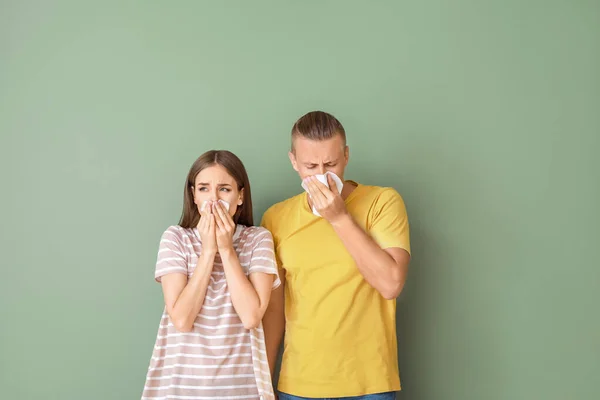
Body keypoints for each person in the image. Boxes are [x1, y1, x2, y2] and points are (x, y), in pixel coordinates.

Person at [261, 111, 411, 400]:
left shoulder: (382, 202)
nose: (321, 175)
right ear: (293, 161)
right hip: (299, 386)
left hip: (371, 385)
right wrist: (263, 383)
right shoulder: (276, 218)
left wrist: (339, 218)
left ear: (346, 156)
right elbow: (274, 312)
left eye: (330, 164)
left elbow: (391, 284)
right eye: (310, 166)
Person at [142, 150, 280, 400]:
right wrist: (208, 252)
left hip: (243, 390)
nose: (213, 200)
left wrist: (226, 250)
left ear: (240, 196)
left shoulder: (258, 239)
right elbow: (182, 319)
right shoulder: (176, 239)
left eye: (224, 189)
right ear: (193, 195)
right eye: (204, 189)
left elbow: (251, 316)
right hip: (180, 389)